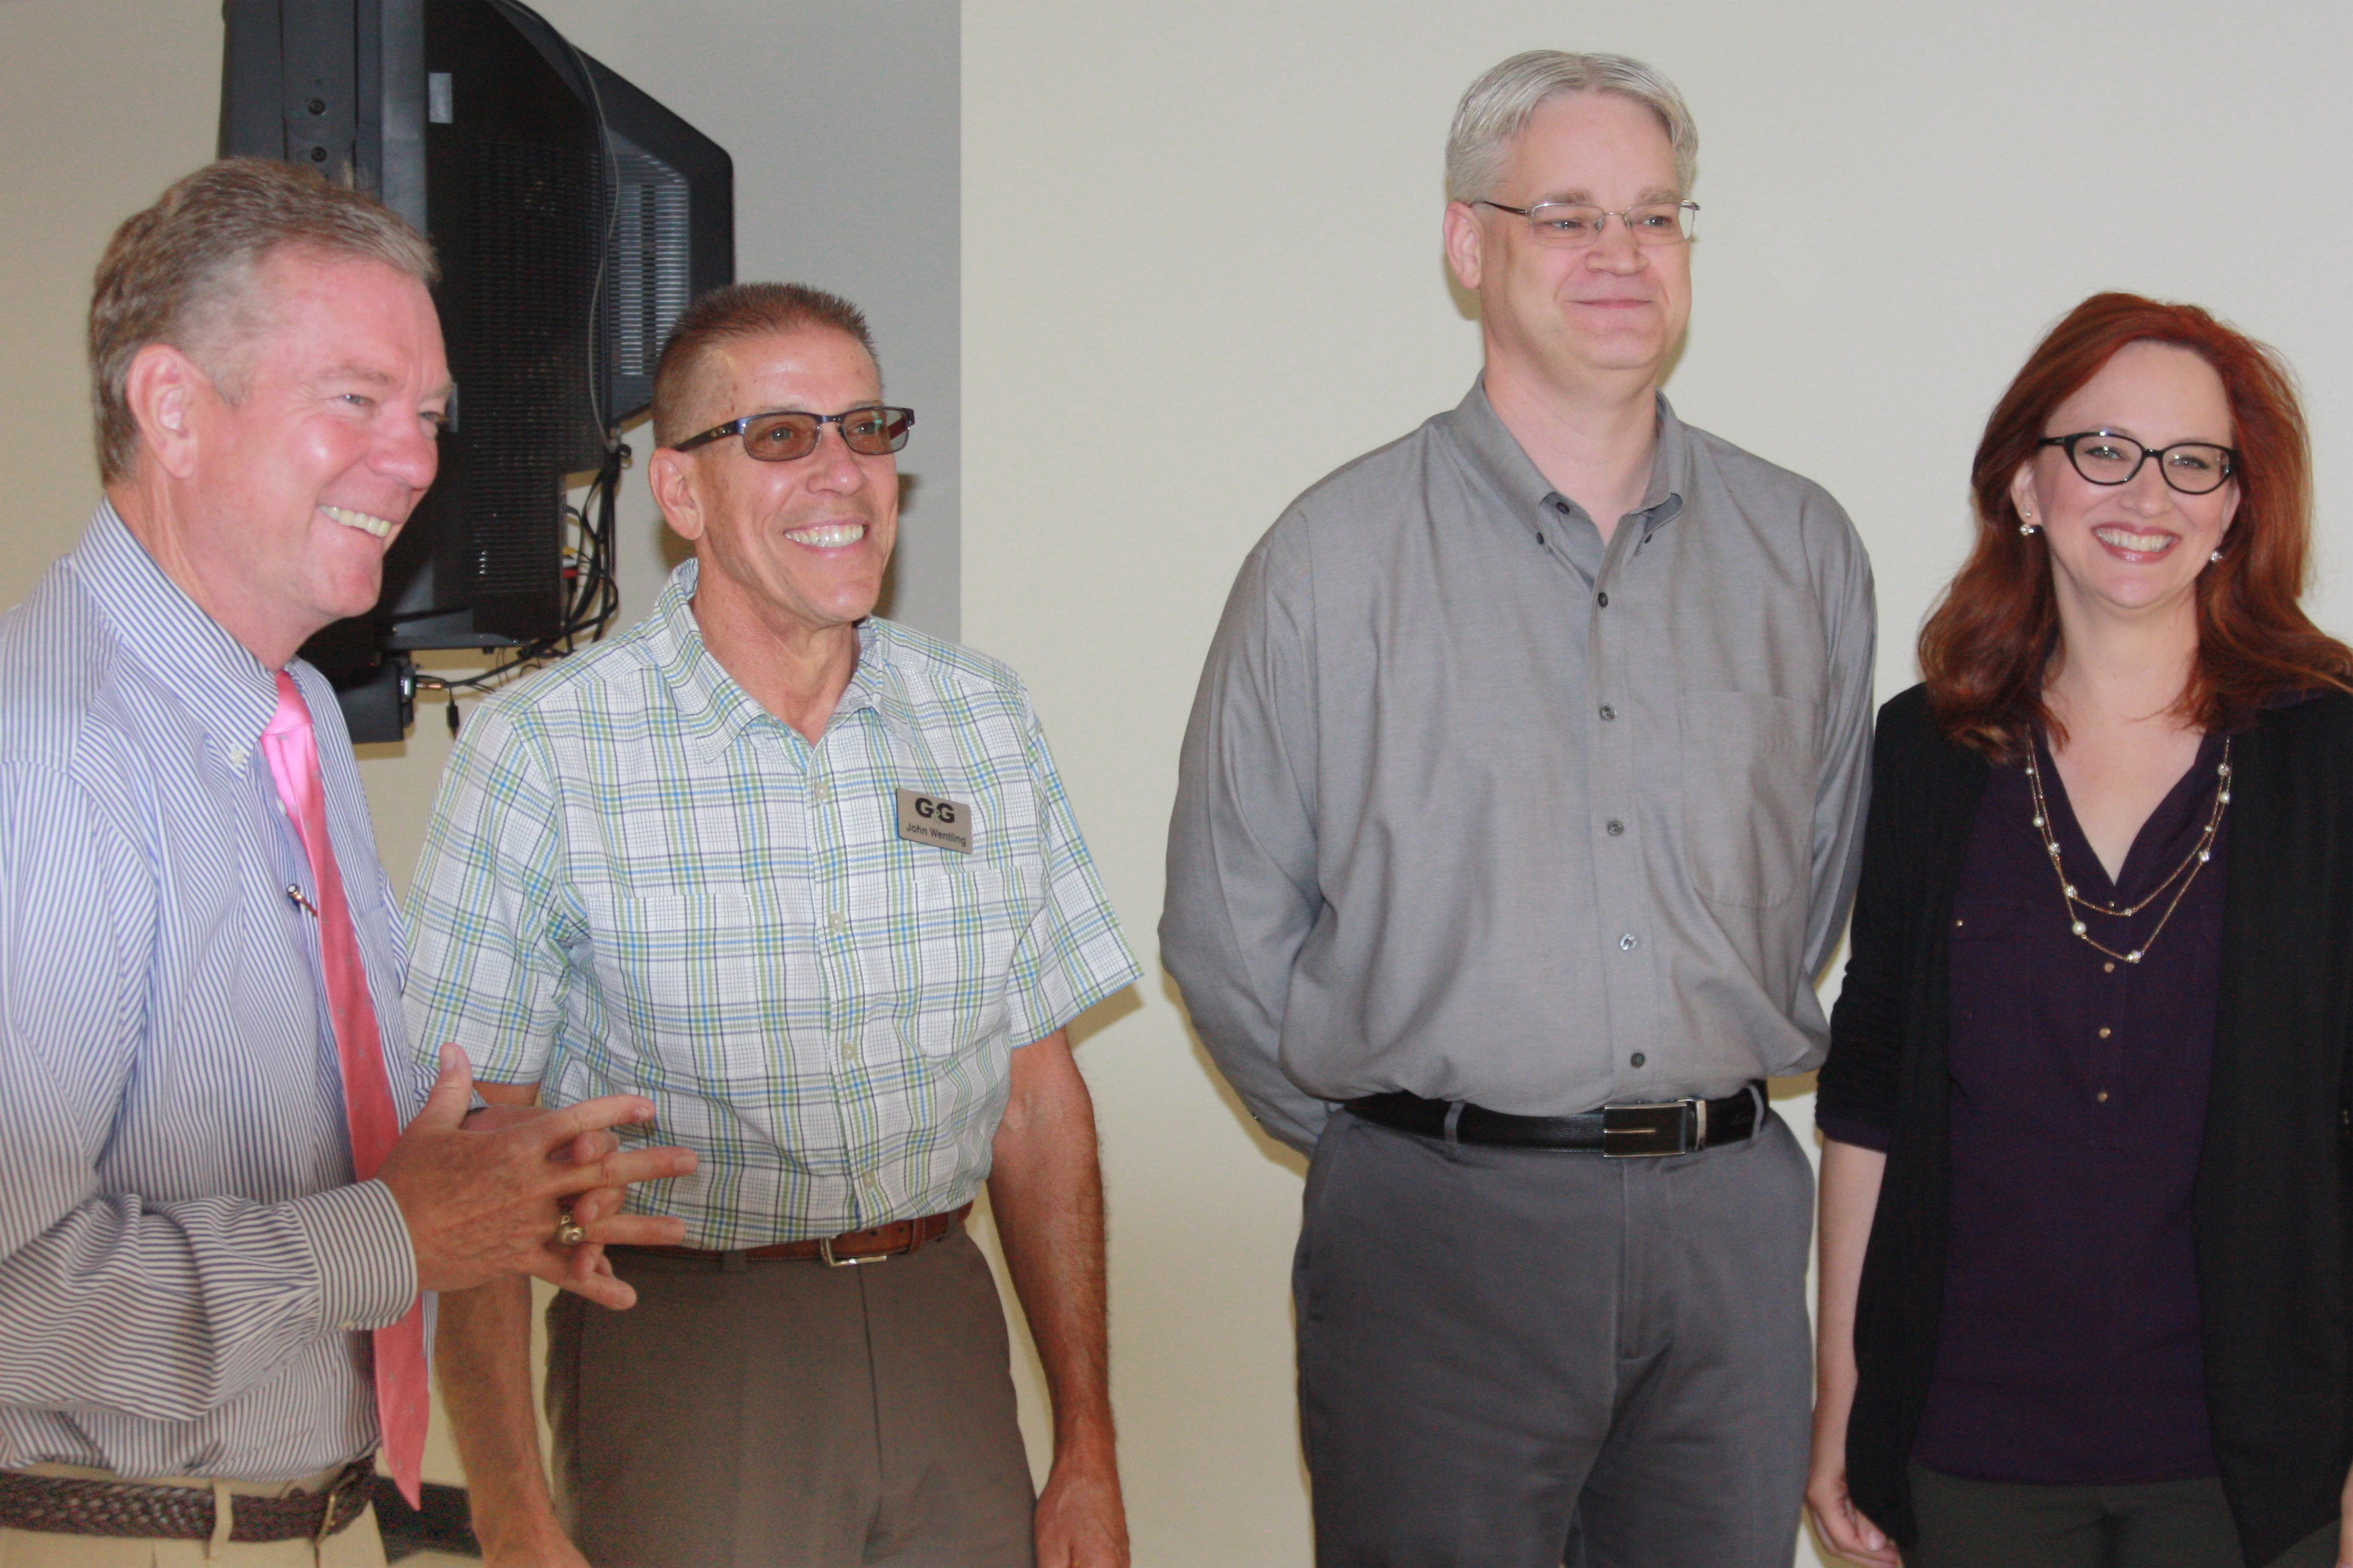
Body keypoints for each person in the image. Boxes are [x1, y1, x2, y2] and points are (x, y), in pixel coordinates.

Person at [1163, 48, 1875, 1568]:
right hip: (1435, 1241)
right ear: (1466, 244)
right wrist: (1408, 1136)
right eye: (1564, 215)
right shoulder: (1329, 559)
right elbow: (1225, 930)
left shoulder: (1801, 551)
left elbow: (1812, 885)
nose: (1619, 254)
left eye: (1654, 215)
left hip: (1730, 1237)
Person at [0, 159, 695, 1568]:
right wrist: (388, 1236)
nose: (416, 459)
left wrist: (488, 1200)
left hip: (311, 1519)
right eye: (357, 401)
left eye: (428, 414)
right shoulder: (47, 751)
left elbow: (277, 1156)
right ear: (174, 408)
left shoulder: (294, 715)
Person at [405, 281, 1141, 1568]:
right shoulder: (547, 752)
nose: (844, 473)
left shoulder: (982, 718)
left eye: (867, 428)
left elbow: (1037, 1101)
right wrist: (515, 1515)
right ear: (680, 496)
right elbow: (474, 1162)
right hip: (687, 1348)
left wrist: (1088, 1444)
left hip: (941, 1329)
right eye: (784, 437)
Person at [1807, 293, 2353, 1568]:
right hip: (1969, 1443)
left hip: (2250, 1454)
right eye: (2101, 448)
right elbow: (1872, 1088)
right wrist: (1844, 1385)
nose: (2145, 493)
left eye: (2192, 462)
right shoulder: (1926, 749)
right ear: (2026, 482)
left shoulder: (2329, 751)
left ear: (2235, 508)